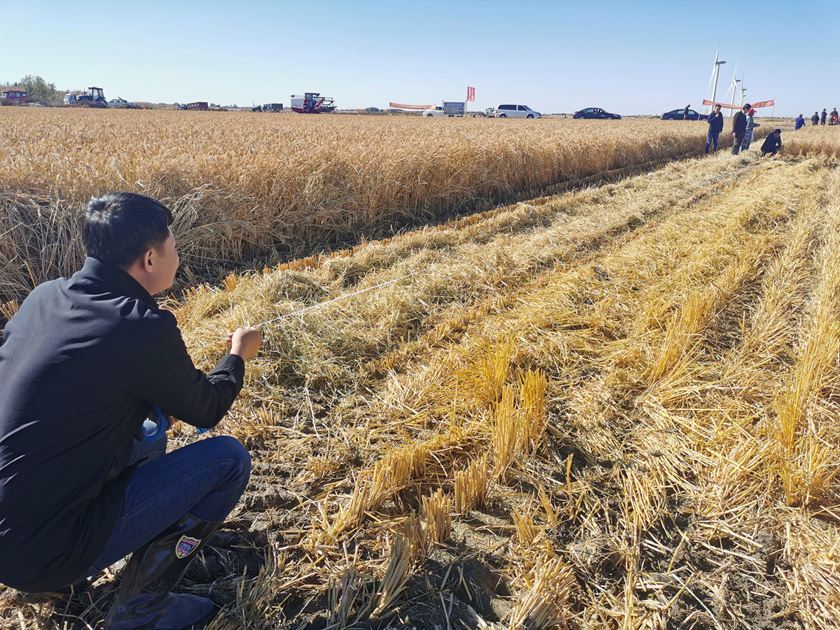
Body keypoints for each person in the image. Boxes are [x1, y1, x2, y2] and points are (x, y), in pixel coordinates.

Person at [0, 193, 262, 629]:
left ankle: (60, 577)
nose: (178, 257)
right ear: (149, 258)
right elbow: (206, 409)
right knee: (228, 461)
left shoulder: (45, 297)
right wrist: (236, 356)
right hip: (42, 552)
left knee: (150, 433)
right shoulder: (141, 326)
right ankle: (142, 610)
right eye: (173, 247)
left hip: (14, 527)